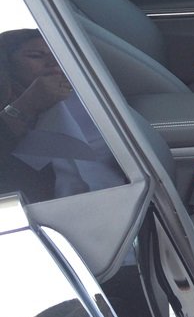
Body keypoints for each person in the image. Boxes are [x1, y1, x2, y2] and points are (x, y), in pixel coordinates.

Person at [0, 28, 125, 201]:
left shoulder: (95, 98)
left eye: (57, 54)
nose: (53, 62)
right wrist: (25, 106)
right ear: (7, 66)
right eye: (36, 56)